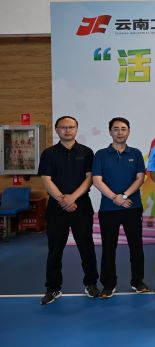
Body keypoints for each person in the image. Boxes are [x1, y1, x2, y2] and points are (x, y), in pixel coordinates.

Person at [38, 116, 99, 305]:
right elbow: (46, 179)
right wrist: (62, 199)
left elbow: (90, 178)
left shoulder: (87, 152)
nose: (67, 130)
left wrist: (72, 198)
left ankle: (91, 284)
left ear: (76, 129)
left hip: (81, 207)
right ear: (57, 130)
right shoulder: (49, 153)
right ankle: (53, 288)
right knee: (55, 249)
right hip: (56, 209)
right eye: (63, 127)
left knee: (86, 247)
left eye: (71, 127)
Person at [92, 117, 148, 298]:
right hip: (108, 209)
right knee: (108, 248)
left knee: (136, 247)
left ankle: (138, 282)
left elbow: (140, 178)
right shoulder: (100, 154)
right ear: (110, 132)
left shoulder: (136, 153)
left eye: (123, 129)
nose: (120, 132)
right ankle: (109, 284)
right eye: (116, 129)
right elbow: (97, 180)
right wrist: (114, 198)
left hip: (132, 207)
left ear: (129, 131)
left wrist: (123, 196)